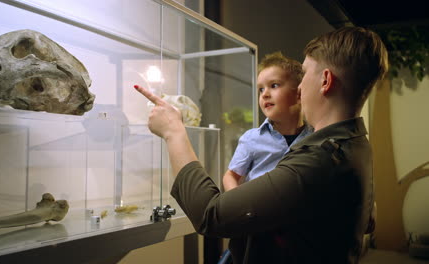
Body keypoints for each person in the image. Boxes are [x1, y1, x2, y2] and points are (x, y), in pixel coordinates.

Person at [134, 26, 388, 263]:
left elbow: (211, 215)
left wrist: (174, 132)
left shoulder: (319, 159)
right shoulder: (355, 142)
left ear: (325, 80)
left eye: (305, 74)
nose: (300, 87)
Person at [223, 51, 312, 192]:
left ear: (299, 93)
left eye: (274, 85)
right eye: (261, 89)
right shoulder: (251, 138)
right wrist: (239, 204)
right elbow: (230, 176)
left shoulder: (315, 138)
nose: (264, 94)